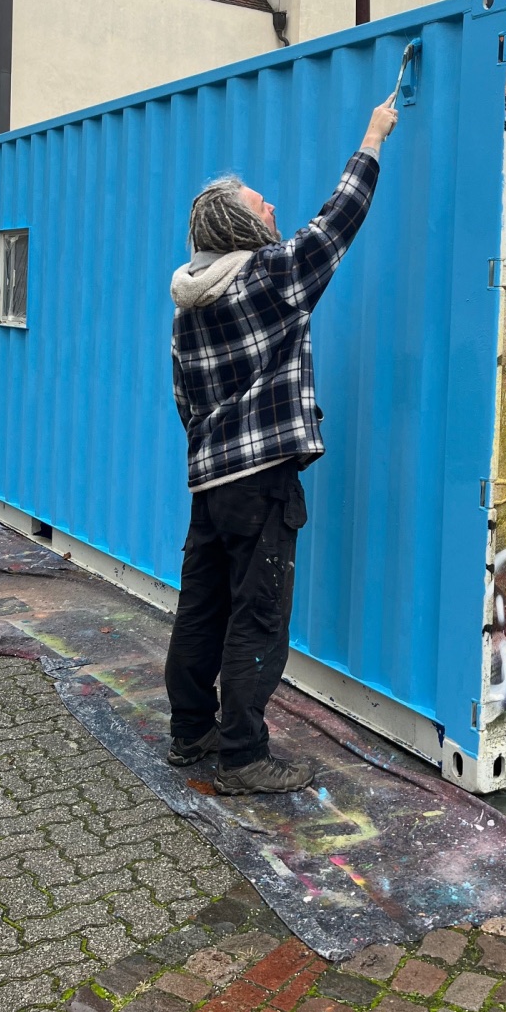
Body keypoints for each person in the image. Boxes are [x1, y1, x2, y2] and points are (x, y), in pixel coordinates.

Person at [165, 92, 399, 794]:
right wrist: (374, 135)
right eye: (260, 204)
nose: (271, 207)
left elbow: (184, 401)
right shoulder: (270, 277)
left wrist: (215, 445)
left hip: (210, 480)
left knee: (203, 605)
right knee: (258, 613)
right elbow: (338, 219)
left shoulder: (187, 307)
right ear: (241, 225)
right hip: (263, 479)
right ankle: (243, 756)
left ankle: (190, 731)